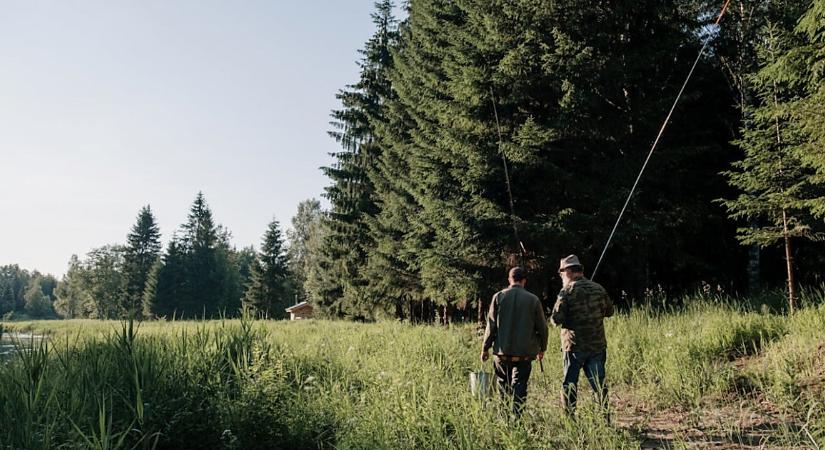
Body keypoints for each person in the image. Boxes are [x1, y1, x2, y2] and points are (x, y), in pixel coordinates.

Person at [550, 254, 614, 420]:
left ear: (568, 272)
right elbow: (610, 311)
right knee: (599, 384)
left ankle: (570, 419)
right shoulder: (598, 288)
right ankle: (604, 418)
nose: (561, 276)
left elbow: (557, 319)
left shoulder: (566, 292)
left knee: (570, 384)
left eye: (561, 273)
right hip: (597, 346)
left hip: (573, 346)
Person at [480, 267, 549, 417]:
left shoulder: (498, 297)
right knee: (520, 387)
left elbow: (491, 326)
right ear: (524, 281)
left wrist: (485, 348)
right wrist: (542, 348)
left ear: (509, 279)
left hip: (501, 354)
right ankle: (517, 420)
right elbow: (542, 328)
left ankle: (504, 419)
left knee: (502, 386)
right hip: (523, 355)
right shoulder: (533, 300)